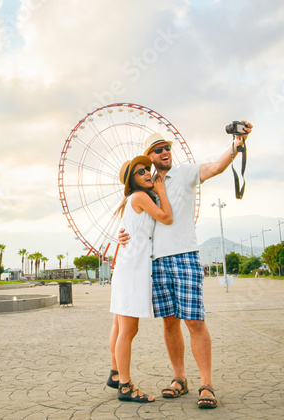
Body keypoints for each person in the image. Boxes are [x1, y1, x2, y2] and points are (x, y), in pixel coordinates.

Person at [115, 122, 253, 409]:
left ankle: (206, 383)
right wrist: (122, 234)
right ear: (149, 157)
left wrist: (236, 144)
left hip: (185, 255)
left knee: (195, 321)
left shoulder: (187, 172)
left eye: (167, 147)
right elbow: (135, 218)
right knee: (169, 323)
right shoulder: (148, 184)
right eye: (158, 149)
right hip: (156, 262)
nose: (165, 151)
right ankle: (180, 378)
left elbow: (215, 167)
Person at [108, 155, 173, 403]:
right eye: (140, 172)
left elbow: (129, 230)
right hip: (133, 270)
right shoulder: (140, 196)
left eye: (147, 169)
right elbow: (166, 217)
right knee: (128, 329)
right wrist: (162, 190)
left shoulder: (128, 201)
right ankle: (125, 386)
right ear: (131, 181)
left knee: (118, 326)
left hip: (126, 267)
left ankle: (115, 373)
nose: (147, 173)